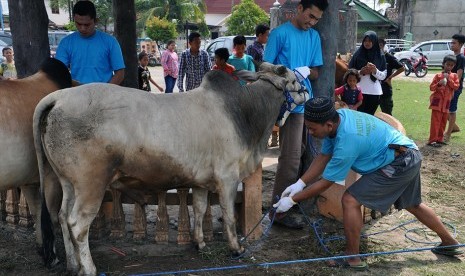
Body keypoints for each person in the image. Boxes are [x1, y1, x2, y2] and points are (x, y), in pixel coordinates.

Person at [273, 97, 463, 269]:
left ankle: (352, 258)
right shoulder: (340, 118)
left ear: (328, 125)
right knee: (413, 204)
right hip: (406, 153)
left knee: (350, 200)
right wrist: (300, 183)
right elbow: (324, 156)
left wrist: (292, 200)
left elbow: (325, 183)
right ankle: (450, 243)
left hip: (399, 162)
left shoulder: (347, 140)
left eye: (313, 128)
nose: (310, 132)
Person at [264, 0, 328, 228]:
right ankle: (278, 211)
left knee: (301, 153)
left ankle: (288, 202)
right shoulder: (280, 34)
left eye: (317, 19)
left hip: (304, 102)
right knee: (290, 158)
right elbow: (264, 67)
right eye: (310, 16)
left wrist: (307, 71)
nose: (312, 22)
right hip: (285, 102)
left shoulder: (313, 37)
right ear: (299, 8)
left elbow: (317, 71)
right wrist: (289, 73)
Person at [55, 1, 125, 85]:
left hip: (104, 93)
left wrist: (105, 91)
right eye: (79, 24)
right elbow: (58, 72)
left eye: (87, 25)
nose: (82, 28)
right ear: (74, 19)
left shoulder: (110, 42)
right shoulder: (66, 43)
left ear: (95, 21)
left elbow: (120, 73)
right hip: (76, 92)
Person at [349, 31, 387, 115]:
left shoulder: (380, 55)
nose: (367, 43)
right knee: (358, 116)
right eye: (365, 41)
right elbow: (349, 72)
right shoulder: (357, 54)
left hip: (374, 93)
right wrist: (360, 72)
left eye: (370, 41)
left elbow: (383, 75)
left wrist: (375, 71)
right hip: (358, 91)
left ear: (374, 41)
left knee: (369, 117)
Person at [428, 55, 459, 147]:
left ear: (453, 66)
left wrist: (449, 79)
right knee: (435, 122)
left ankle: (439, 139)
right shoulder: (438, 76)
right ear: (443, 64)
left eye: (451, 65)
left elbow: (456, 87)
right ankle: (432, 140)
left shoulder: (454, 76)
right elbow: (431, 88)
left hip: (446, 104)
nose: (449, 67)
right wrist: (439, 83)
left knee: (443, 122)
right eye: (447, 65)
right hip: (437, 103)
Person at [444, 34, 465, 141]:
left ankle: (448, 133)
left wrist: (453, 87)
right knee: (444, 108)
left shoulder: (461, 58)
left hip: (455, 88)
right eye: (451, 42)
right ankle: (454, 127)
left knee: (451, 110)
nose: (451, 44)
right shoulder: (452, 57)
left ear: (460, 44)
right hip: (448, 87)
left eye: (454, 43)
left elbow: (459, 74)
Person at [379, 38, 404, 115]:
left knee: (387, 113)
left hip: (385, 88)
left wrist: (390, 77)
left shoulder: (389, 57)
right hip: (374, 89)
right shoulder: (373, 57)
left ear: (383, 46)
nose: (378, 47)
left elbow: (401, 68)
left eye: (380, 45)